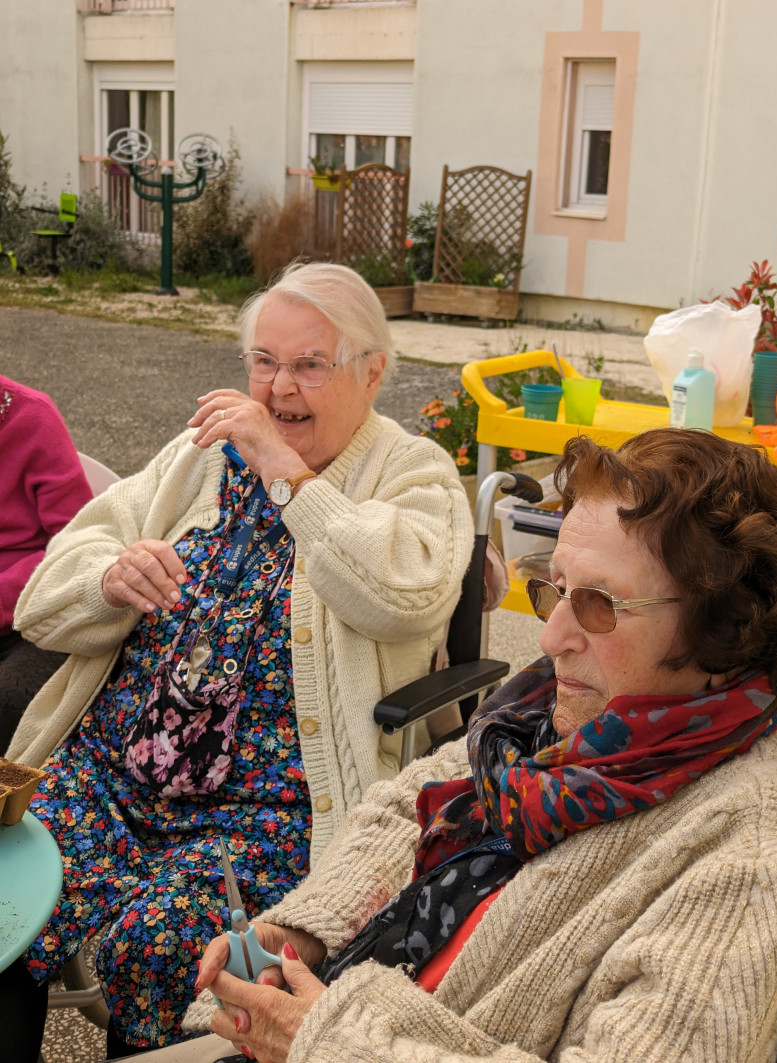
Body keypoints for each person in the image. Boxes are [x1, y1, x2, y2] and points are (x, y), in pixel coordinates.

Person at [188, 427, 777, 1063]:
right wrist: (303, 930)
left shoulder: (747, 854)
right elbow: (407, 807)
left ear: (726, 632)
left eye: (599, 605)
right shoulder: (546, 714)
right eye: (554, 589)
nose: (551, 637)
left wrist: (328, 1042)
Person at [2, 262, 474, 1060]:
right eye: (263, 360)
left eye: (308, 365)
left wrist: (286, 476)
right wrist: (109, 578)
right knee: (6, 908)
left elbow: (405, 595)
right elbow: (45, 594)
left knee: (156, 946)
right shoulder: (201, 457)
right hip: (112, 777)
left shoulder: (412, 471)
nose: (278, 386)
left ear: (372, 372)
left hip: (265, 811)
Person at [0, 373, 92, 752]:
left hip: (32, 611)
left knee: (10, 700)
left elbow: (79, 542)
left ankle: (12, 803)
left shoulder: (32, 418)